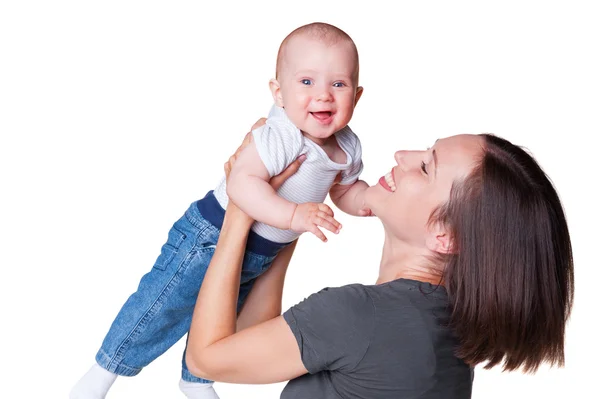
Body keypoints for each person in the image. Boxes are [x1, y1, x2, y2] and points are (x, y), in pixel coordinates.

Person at [70, 22, 369, 399]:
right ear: (278, 92)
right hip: (209, 236)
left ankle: (195, 380)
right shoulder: (280, 135)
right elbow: (242, 183)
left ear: (356, 96)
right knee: (164, 305)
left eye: (338, 85)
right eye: (306, 82)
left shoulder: (347, 146)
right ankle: (103, 371)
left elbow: (345, 191)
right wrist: (294, 217)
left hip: (260, 253)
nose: (323, 96)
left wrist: (368, 202)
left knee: (222, 318)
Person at [185, 129, 574, 398]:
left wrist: (240, 207)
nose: (403, 157)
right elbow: (252, 347)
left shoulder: (357, 317)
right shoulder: (448, 332)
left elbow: (207, 359)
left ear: (445, 235)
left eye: (425, 168)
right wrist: (291, 213)